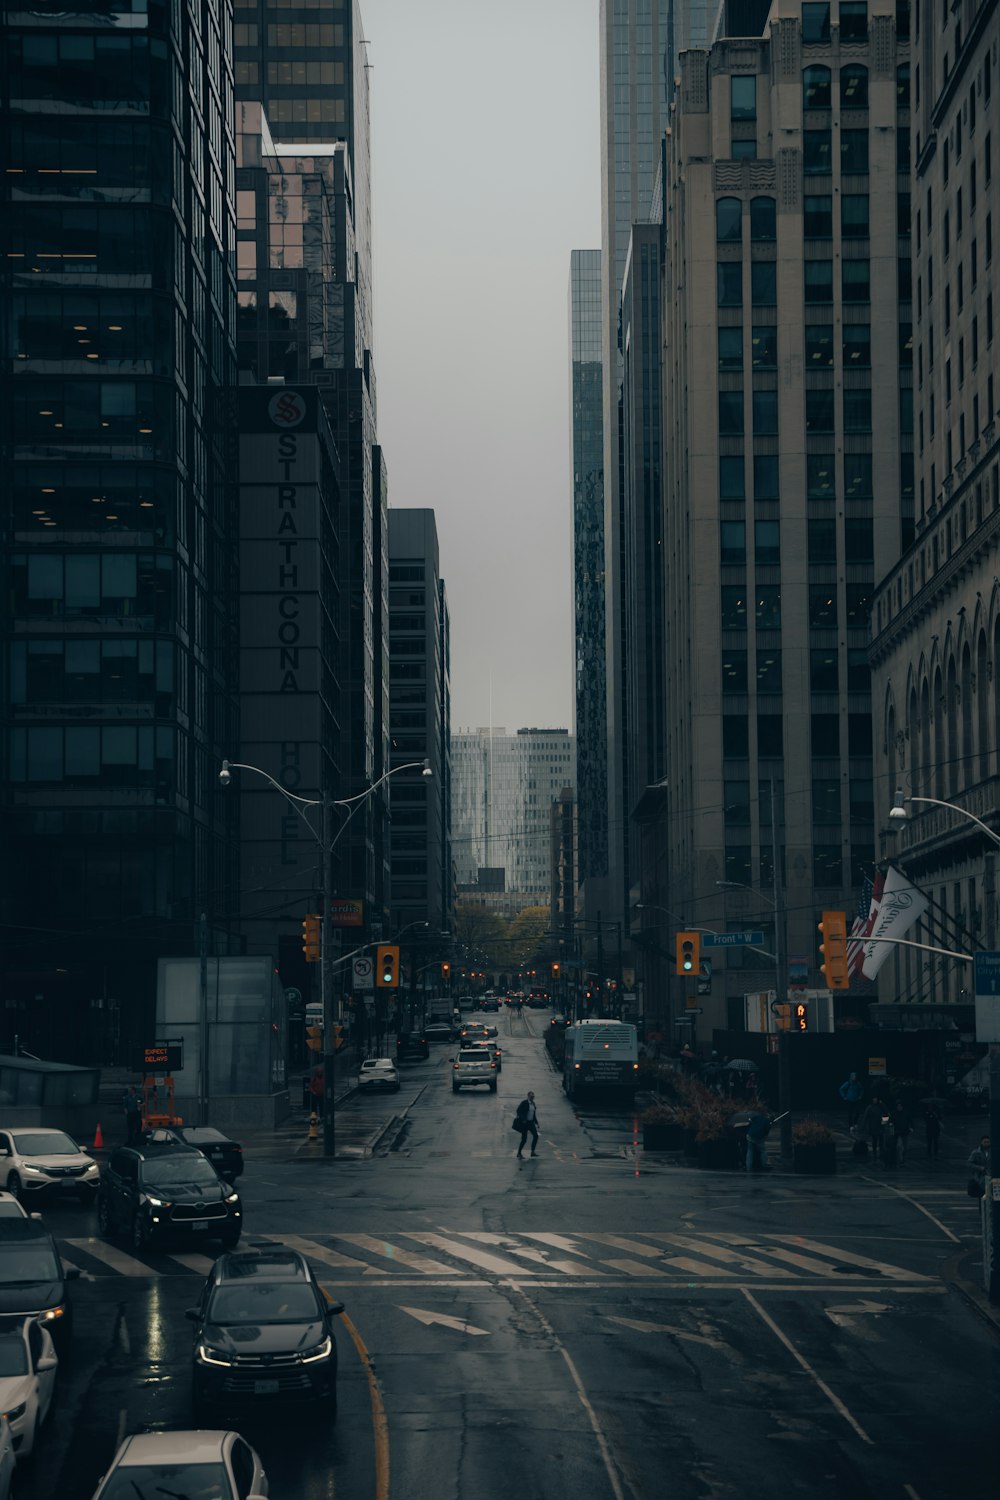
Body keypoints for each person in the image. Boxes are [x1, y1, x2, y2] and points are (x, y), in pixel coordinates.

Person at [745, 1107, 771, 1174]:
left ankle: (748, 1167)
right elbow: (767, 1131)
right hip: (759, 1137)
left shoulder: (756, 1117)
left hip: (750, 1135)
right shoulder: (767, 1120)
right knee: (762, 1150)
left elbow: (750, 1121)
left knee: (750, 1151)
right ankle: (764, 1164)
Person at [858, 1098, 883, 1163]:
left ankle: (881, 1153)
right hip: (873, 1126)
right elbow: (865, 1117)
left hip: (880, 1126)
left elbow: (885, 1115)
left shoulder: (881, 1106)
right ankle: (875, 1152)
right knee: (874, 1140)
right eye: (873, 1099)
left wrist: (883, 1124)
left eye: (875, 1099)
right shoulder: (869, 1107)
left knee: (881, 1141)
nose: (875, 1100)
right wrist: (863, 1126)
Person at [515, 1092, 539, 1158]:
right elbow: (518, 1111)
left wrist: (537, 1122)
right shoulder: (524, 1103)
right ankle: (519, 1153)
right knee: (524, 1139)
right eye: (531, 1096)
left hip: (531, 1123)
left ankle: (532, 1152)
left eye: (533, 1096)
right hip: (525, 1123)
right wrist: (523, 1119)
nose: (532, 1098)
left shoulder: (533, 1104)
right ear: (528, 1096)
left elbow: (533, 1114)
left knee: (536, 1136)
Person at [891, 1100, 913, 1165]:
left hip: (905, 1132)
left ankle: (903, 1160)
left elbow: (911, 1121)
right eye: (898, 1106)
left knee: (905, 1148)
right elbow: (889, 1120)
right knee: (899, 1147)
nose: (899, 1107)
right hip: (897, 1133)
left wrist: (911, 1128)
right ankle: (900, 1160)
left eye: (900, 1106)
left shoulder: (906, 1113)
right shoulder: (894, 1113)